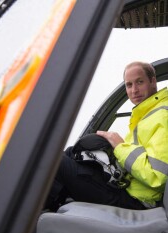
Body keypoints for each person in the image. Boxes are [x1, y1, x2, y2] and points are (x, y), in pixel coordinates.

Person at [46, 61, 168, 211]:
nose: (134, 90)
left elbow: (157, 177)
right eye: (129, 85)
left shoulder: (163, 116)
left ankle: (28, 221)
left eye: (140, 82)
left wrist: (119, 146)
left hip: (136, 200)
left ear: (153, 81)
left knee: (55, 161)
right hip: (125, 188)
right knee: (73, 152)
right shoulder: (146, 115)